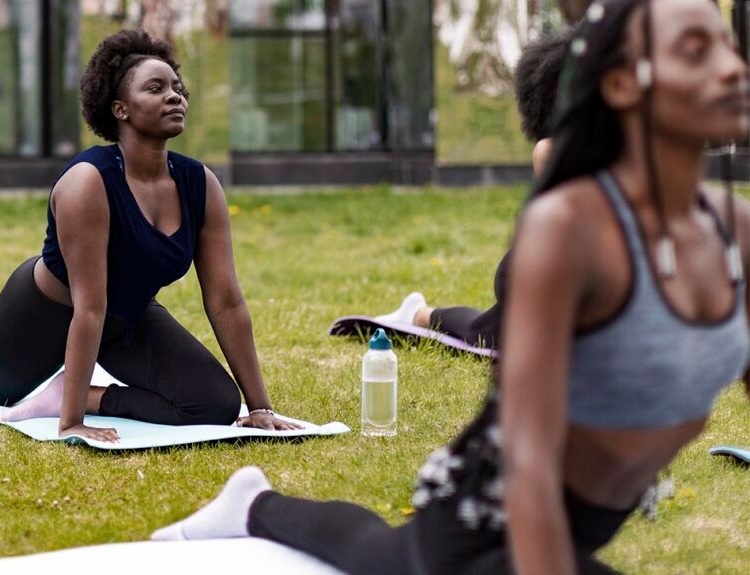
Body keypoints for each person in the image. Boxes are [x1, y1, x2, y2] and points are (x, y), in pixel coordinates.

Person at [152, 1, 750, 573]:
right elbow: (530, 458)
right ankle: (254, 506)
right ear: (621, 85)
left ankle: (254, 504)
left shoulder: (735, 228)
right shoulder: (570, 230)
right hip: (487, 512)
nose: (732, 67)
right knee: (385, 560)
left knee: (385, 557)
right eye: (696, 50)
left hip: (589, 520)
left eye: (727, 44)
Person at [0, 29, 299, 443]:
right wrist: (71, 426)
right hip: (46, 314)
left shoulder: (200, 184)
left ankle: (86, 395)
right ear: (120, 108)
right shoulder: (88, 182)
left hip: (128, 318)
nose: (174, 96)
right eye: (155, 88)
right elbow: (88, 308)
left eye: (177, 87)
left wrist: (261, 407)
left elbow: (226, 301)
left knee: (214, 405)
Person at [394, 29, 572, 350]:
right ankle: (418, 314)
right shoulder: (551, 150)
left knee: (489, 330)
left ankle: (421, 313)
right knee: (486, 335)